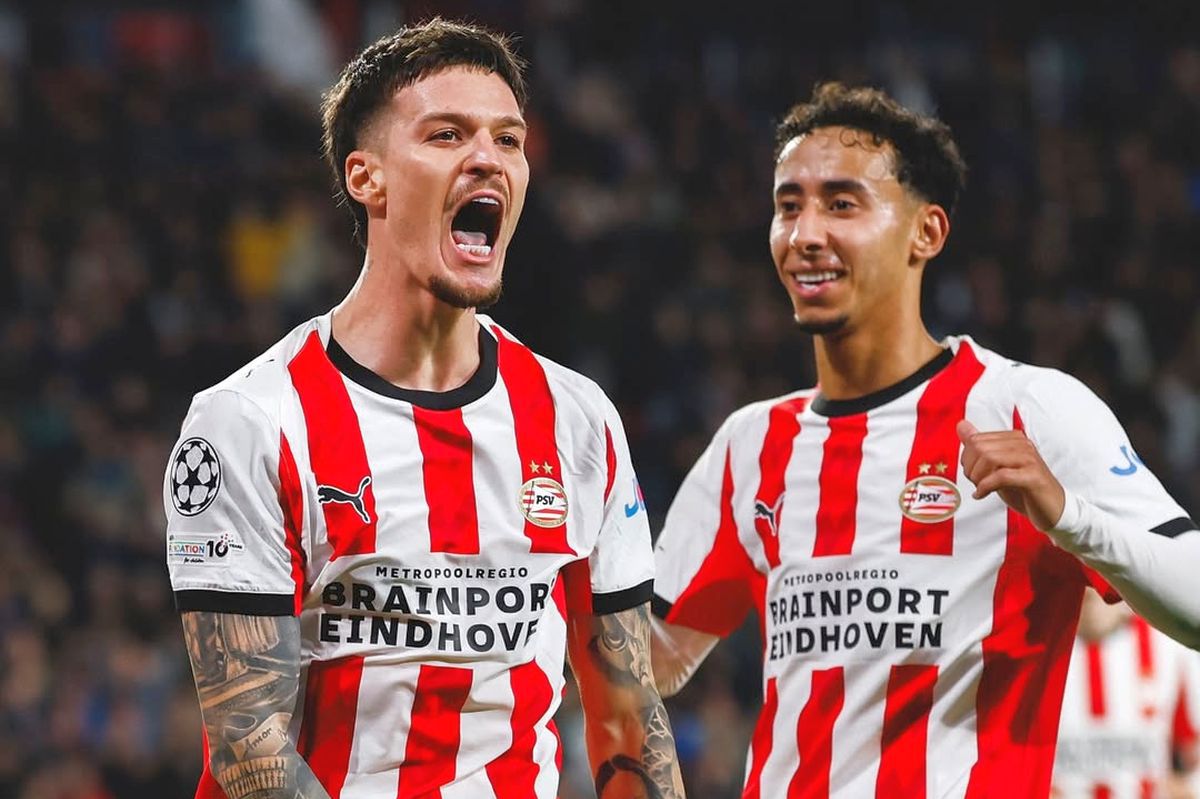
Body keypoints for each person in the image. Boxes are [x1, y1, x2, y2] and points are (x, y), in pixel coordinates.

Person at [163, 19, 684, 799]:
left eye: (508, 140)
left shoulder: (579, 422)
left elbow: (628, 718)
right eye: (447, 134)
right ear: (366, 177)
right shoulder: (251, 423)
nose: (488, 158)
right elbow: (250, 750)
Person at [649, 82, 1200, 797]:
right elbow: (655, 659)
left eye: (841, 204)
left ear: (927, 233)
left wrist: (1068, 517)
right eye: (789, 205)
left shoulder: (1028, 409)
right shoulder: (749, 444)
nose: (805, 233)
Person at [1052, 590, 1200, 799]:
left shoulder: (1168, 647)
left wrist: (1189, 788)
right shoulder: (1030, 652)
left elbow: (1191, 753)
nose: (1089, 591)